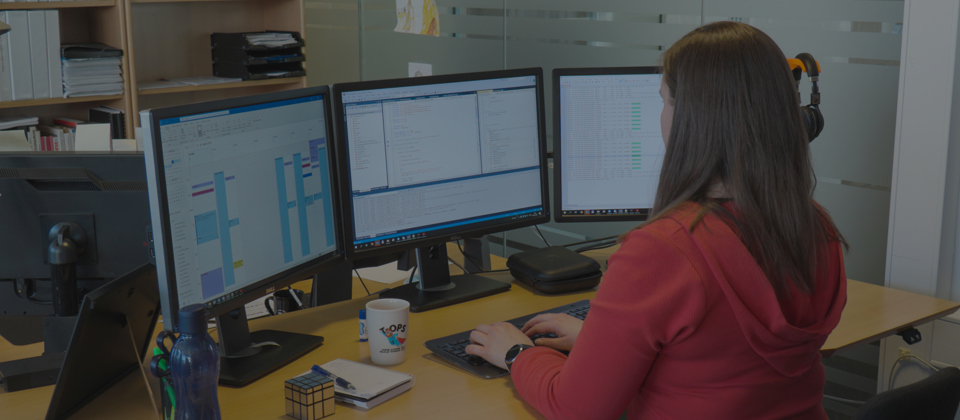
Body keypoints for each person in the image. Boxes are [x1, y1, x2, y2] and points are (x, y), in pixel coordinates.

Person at [465, 21, 848, 420]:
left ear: (694, 120)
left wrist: (516, 354)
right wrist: (600, 344)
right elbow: (725, 360)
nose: (661, 116)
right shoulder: (816, 226)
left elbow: (576, 408)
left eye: (665, 101)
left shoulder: (664, 250)